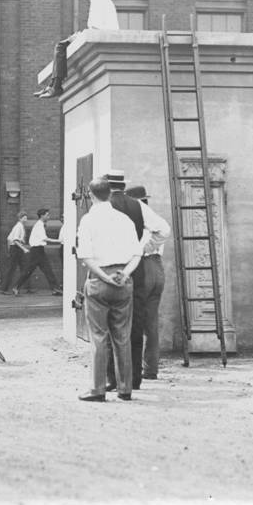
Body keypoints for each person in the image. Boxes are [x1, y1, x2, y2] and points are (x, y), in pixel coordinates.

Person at [75, 179, 143, 402]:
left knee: (98, 337)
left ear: (91, 194)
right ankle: (125, 388)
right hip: (123, 279)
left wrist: (103, 276)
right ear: (110, 194)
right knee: (122, 336)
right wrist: (125, 274)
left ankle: (97, 388)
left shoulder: (88, 220)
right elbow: (137, 253)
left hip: (99, 279)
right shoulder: (124, 220)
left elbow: (84, 255)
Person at [105, 169, 169, 391]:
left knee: (111, 322)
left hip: (114, 267)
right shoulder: (140, 207)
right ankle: (137, 376)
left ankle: (113, 377)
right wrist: (142, 248)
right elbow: (164, 230)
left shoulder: (102, 206)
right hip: (142, 268)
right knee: (141, 322)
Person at [35, 0, 118, 98]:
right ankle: (52, 85)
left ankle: (55, 86)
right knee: (63, 45)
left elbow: (94, 28)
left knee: (61, 46)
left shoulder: (96, 0)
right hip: (107, 36)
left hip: (103, 38)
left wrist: (77, 37)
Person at [125, 184, 170, 385]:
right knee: (151, 321)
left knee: (133, 319)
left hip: (142, 267)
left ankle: (130, 368)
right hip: (157, 267)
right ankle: (150, 368)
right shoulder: (155, 219)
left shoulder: (136, 219)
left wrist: (141, 249)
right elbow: (163, 232)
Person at [12, 208, 62, 295]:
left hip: (39, 250)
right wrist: (59, 241)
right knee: (29, 271)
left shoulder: (40, 224)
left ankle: (55, 289)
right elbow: (45, 238)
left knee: (48, 270)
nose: (48, 217)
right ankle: (16, 287)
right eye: (47, 215)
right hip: (36, 251)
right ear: (42, 216)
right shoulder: (39, 225)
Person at [0, 211, 31, 295]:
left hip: (15, 249)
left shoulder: (19, 226)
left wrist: (9, 249)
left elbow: (9, 238)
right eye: (24, 217)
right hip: (16, 249)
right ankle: (6, 289)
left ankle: (23, 287)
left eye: (26, 217)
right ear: (20, 218)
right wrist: (23, 249)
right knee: (13, 269)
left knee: (23, 268)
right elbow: (15, 240)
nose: (26, 219)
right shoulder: (18, 227)